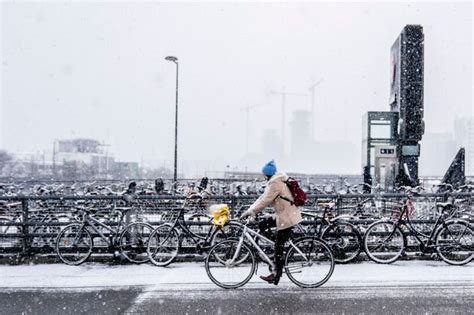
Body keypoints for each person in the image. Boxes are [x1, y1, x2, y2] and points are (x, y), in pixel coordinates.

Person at [240, 160, 302, 285]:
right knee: (263, 224)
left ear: (267, 174)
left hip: (287, 217)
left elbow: (265, 201)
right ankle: (274, 245)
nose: (262, 176)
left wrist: (251, 212)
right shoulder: (274, 181)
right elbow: (262, 198)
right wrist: (250, 210)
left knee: (278, 247)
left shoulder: (275, 183)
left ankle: (276, 274)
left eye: (263, 174)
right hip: (284, 215)